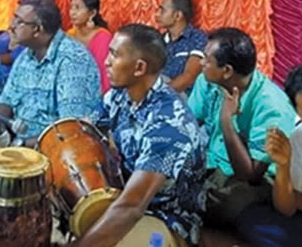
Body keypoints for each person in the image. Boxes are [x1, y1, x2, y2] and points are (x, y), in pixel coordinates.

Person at [65, 24, 206, 247]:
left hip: (167, 218)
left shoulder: (168, 126)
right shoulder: (118, 96)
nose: (106, 61)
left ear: (139, 67)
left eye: (114, 54)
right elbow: (87, 128)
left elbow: (132, 207)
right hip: (128, 195)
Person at [187, 27, 296, 226]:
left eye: (207, 60)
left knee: (231, 203)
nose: (201, 64)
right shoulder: (208, 81)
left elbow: (251, 175)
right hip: (212, 163)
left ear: (227, 71)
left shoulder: (272, 106)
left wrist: (227, 123)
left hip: (255, 179)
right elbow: (188, 122)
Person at [236, 64, 302, 247]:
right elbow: (287, 208)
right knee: (250, 219)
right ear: (297, 112)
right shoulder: (300, 137)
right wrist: (283, 166)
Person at [0, 0, 100, 145]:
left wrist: (20, 145)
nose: (11, 26)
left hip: (56, 155)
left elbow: (70, 132)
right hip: (20, 147)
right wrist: (0, 132)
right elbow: (5, 103)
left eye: (19, 21)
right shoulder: (26, 55)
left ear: (37, 29)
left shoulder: (73, 61)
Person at [155, 0, 207, 94]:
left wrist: (159, 95)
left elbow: (189, 77)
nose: (157, 14)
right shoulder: (159, 40)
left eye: (162, 10)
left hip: (181, 96)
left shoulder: (197, 38)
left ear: (177, 15)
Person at [68, 0, 112, 93]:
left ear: (92, 13)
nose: (72, 12)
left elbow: (104, 75)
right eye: (71, 8)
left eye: (77, 8)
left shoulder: (103, 38)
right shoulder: (69, 35)